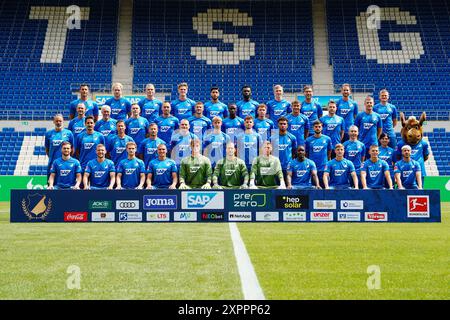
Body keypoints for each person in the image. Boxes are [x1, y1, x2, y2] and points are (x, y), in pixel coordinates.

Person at [305, 120, 332, 188]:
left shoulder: (327, 139)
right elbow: (307, 153)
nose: (317, 128)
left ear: (322, 128)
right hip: (313, 168)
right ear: (313, 128)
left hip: (323, 167)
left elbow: (329, 151)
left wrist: (327, 161)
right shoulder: (308, 140)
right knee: (314, 188)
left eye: (319, 127)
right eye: (316, 127)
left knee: (325, 187)